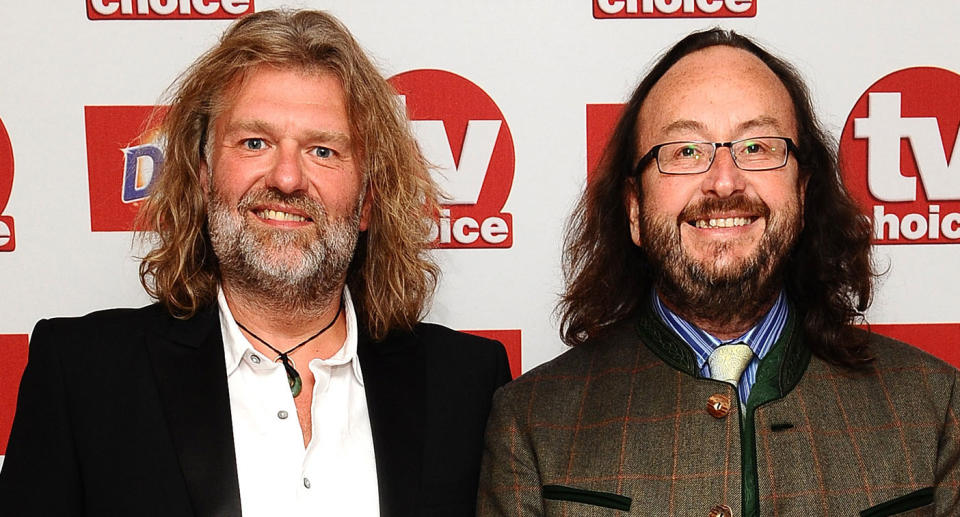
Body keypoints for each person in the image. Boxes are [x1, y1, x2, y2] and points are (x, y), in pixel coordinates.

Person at [0, 9, 511, 517]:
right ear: (203, 177)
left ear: (369, 198)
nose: (287, 178)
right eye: (254, 143)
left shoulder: (468, 387)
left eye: (323, 150)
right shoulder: (82, 376)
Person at [477, 28, 959, 517]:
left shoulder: (935, 406)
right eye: (686, 151)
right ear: (635, 211)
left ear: (804, 192)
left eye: (757, 147)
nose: (724, 181)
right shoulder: (533, 423)